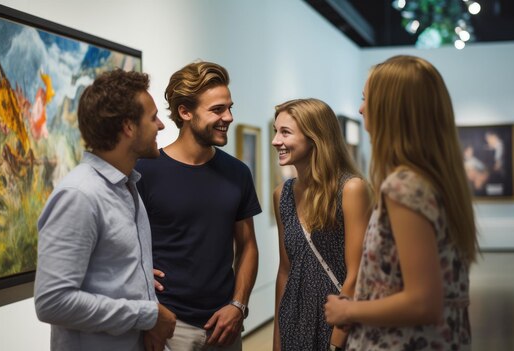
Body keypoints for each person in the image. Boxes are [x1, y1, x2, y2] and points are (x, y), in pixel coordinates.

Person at [324, 55, 479, 350]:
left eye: (366, 99)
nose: (360, 108)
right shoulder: (435, 182)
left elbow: (423, 302)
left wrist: (347, 310)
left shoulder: (404, 187)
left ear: (391, 110)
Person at [34, 69, 176, 351]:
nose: (160, 125)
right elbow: (52, 302)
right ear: (128, 127)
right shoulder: (79, 195)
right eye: (152, 117)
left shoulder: (128, 187)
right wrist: (148, 315)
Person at [135, 61, 261, 350]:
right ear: (185, 112)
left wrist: (238, 305)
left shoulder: (238, 173)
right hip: (167, 325)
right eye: (217, 109)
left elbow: (248, 246)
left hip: (224, 324)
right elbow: (123, 241)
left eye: (230, 107)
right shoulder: (145, 171)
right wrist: (139, 275)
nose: (228, 117)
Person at [271, 98, 372, 350]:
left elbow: (357, 272)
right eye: (275, 131)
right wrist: (278, 338)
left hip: (338, 319)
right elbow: (285, 270)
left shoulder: (351, 189)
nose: (275, 141)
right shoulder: (281, 195)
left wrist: (337, 338)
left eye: (285, 132)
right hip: (295, 318)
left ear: (315, 137)